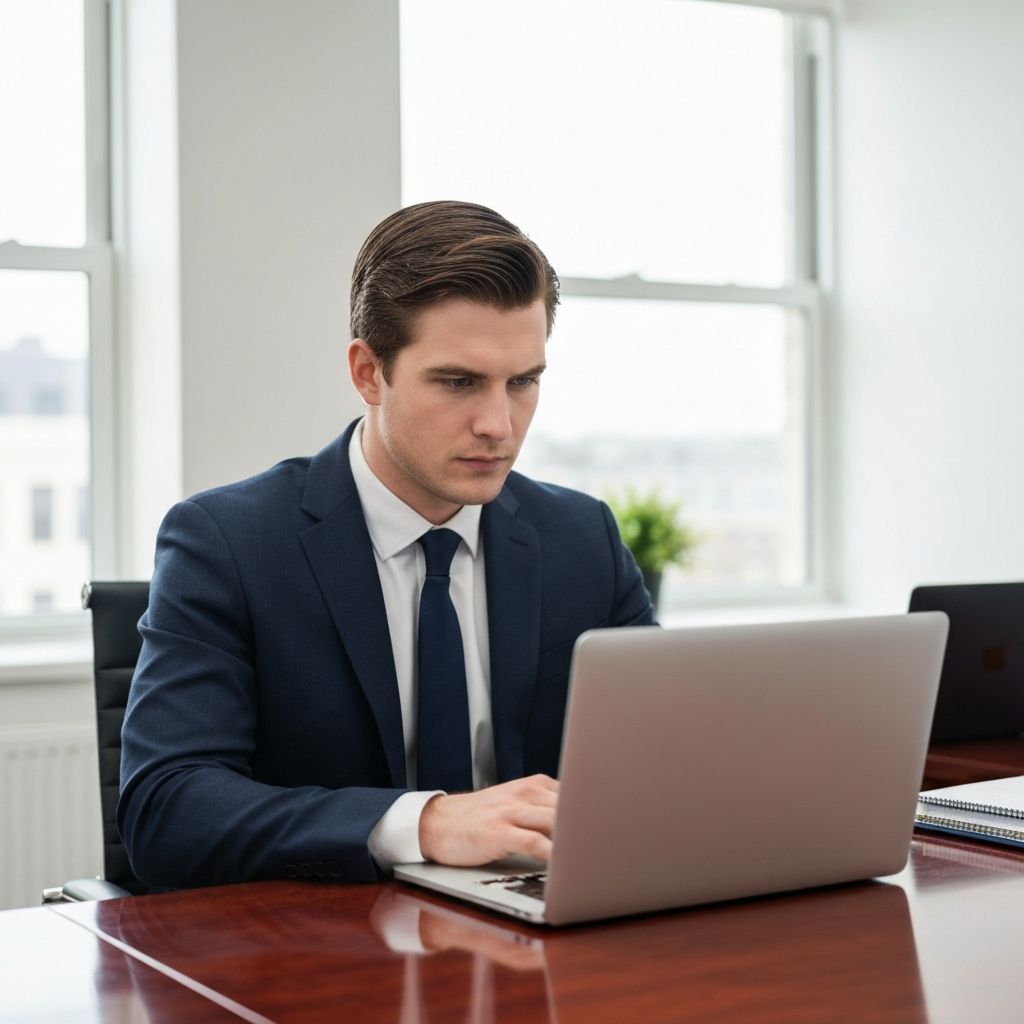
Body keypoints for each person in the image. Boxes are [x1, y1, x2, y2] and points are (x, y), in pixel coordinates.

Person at [118, 200, 656, 888]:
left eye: (523, 382)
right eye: (458, 382)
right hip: (324, 950)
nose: (499, 423)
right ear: (369, 372)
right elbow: (168, 811)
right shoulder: (228, 543)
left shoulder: (582, 537)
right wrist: (425, 824)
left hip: (536, 935)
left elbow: (663, 764)